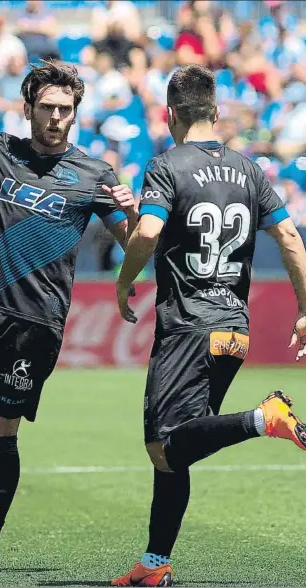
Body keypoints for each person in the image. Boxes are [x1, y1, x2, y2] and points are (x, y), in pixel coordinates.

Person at [0, 59, 137, 574]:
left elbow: (133, 243)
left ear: (75, 114)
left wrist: (132, 209)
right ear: (29, 106)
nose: (57, 117)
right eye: (48, 107)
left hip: (36, 324)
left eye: (66, 110)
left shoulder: (94, 173)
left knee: (0, 428)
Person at [112, 65, 306, 587]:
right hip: (234, 333)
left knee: (164, 445)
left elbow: (149, 231)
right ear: (216, 111)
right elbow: (290, 238)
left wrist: (123, 280)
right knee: (180, 450)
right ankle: (155, 566)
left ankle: (264, 419)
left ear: (169, 113)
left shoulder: (165, 166)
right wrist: (305, 310)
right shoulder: (250, 170)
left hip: (188, 327)